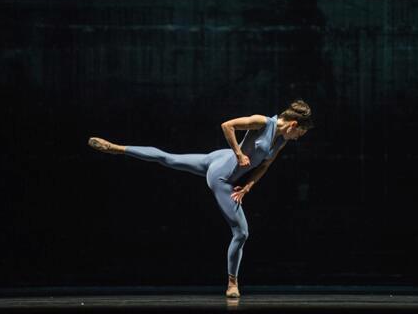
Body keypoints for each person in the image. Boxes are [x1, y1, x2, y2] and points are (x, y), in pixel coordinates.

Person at [87, 99, 314, 298]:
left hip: (219, 160)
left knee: (169, 159)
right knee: (242, 232)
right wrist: (238, 153)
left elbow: (265, 166)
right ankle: (232, 283)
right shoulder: (263, 122)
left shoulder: (281, 140)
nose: (297, 139)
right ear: (293, 125)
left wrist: (247, 188)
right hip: (222, 175)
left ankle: (119, 148)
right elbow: (227, 126)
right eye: (299, 134)